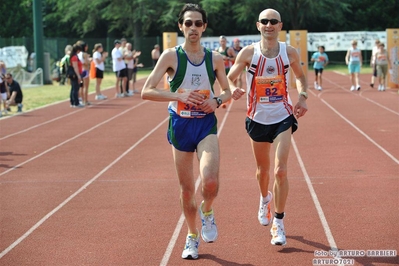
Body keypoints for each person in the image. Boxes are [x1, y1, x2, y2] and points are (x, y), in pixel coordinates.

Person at [141, 3, 231, 260]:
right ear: (181, 26)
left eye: (198, 23)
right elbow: (146, 91)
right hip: (180, 124)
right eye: (188, 23)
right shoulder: (171, 56)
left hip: (205, 124)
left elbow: (225, 91)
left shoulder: (215, 58)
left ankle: (208, 211)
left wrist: (217, 101)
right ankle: (192, 236)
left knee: (210, 182)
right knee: (186, 189)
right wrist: (177, 94)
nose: (193, 28)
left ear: (204, 27)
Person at [227, 8, 308, 247]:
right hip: (257, 117)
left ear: (280, 25)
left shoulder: (289, 52)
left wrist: (302, 97)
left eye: (273, 21)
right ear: (258, 25)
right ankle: (265, 199)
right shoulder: (248, 53)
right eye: (265, 21)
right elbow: (231, 77)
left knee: (280, 171)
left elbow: (302, 78)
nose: (269, 25)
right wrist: (233, 89)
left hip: (283, 116)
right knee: (262, 171)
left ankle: (279, 222)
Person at [69, 44, 84, 108]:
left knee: (73, 88)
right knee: (75, 88)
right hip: (75, 74)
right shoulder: (74, 57)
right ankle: (76, 102)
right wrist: (78, 76)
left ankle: (73, 102)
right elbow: (75, 67)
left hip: (75, 74)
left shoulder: (74, 56)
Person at [77, 41, 91, 105]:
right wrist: (89, 61)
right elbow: (85, 63)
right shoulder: (84, 54)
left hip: (80, 71)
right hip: (85, 71)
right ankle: (85, 100)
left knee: (81, 86)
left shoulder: (78, 53)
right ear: (84, 47)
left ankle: (81, 99)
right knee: (86, 86)